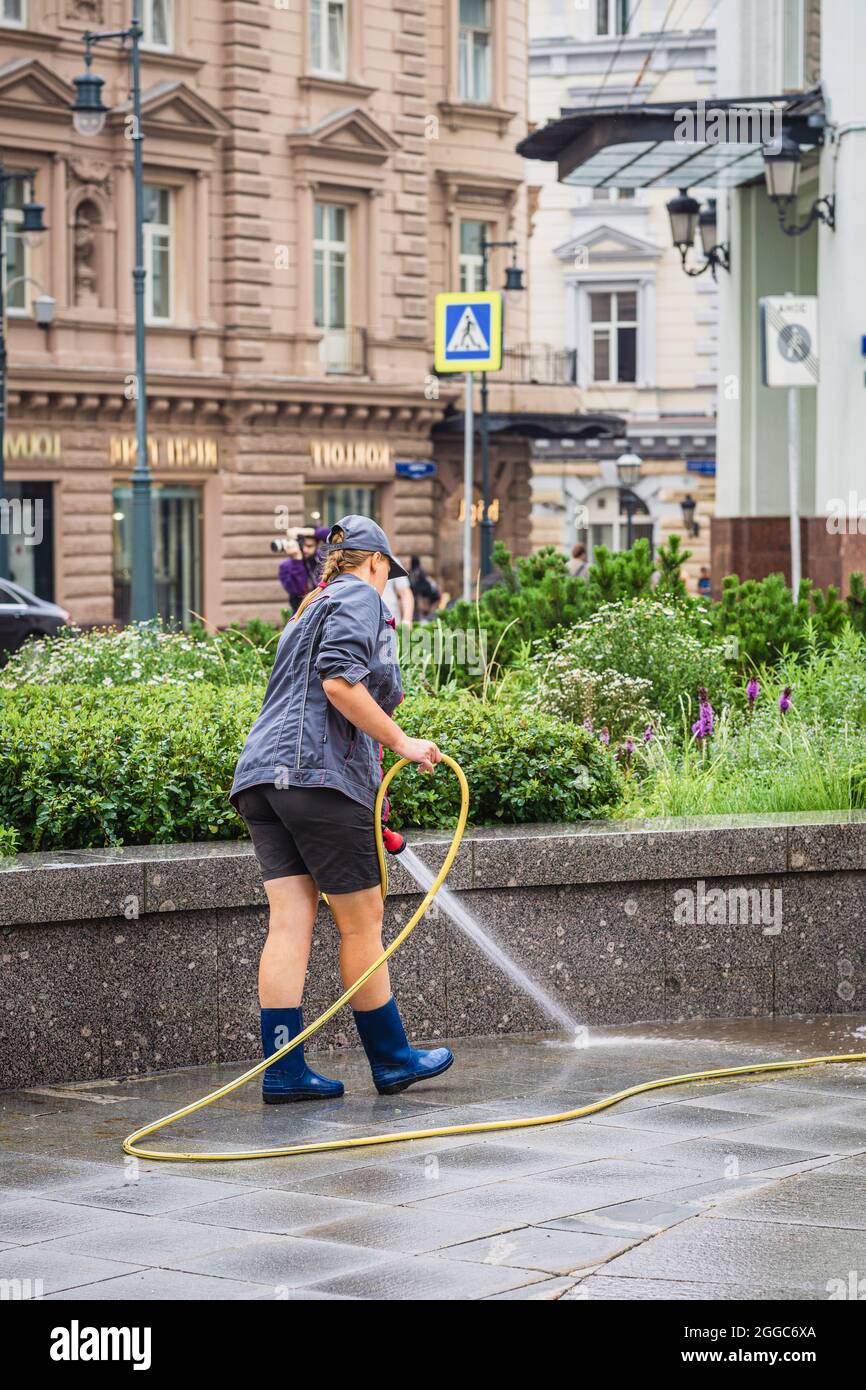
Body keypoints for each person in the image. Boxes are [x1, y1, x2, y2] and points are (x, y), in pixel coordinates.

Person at [230, 515, 453, 1103]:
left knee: (290, 921)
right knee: (361, 922)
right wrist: (403, 742)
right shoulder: (360, 596)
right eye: (387, 572)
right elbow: (339, 683)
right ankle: (392, 1059)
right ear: (377, 562)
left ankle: (282, 1070)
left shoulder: (310, 606)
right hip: (319, 780)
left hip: (262, 780)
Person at [278, 527, 329, 613]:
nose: (305, 549)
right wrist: (297, 560)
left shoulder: (322, 558)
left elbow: (336, 537)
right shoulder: (285, 566)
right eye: (302, 545)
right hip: (302, 615)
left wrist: (305, 531)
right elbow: (299, 590)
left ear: (317, 545)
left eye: (309, 546)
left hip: (325, 610)